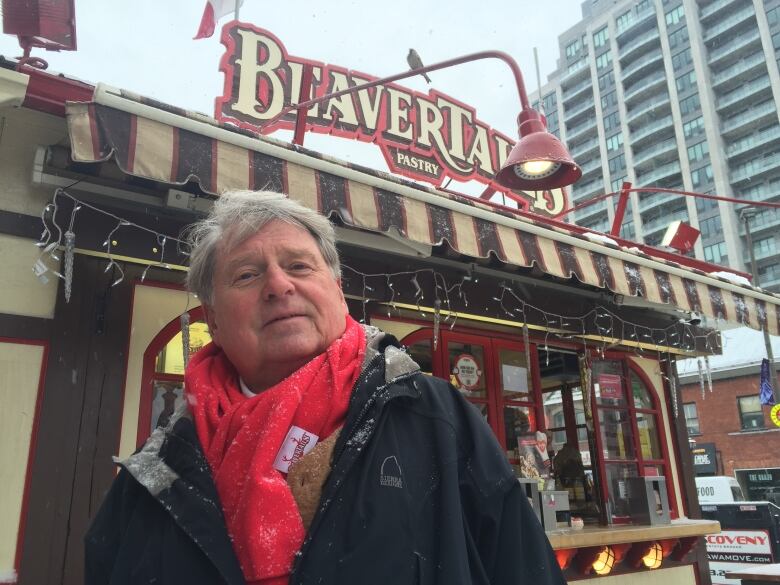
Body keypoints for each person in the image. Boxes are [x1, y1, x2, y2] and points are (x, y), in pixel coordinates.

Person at [84, 190, 566, 585]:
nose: (277, 285)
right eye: (247, 275)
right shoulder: (154, 474)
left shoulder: (437, 418)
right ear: (212, 318)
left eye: (298, 266)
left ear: (337, 290)